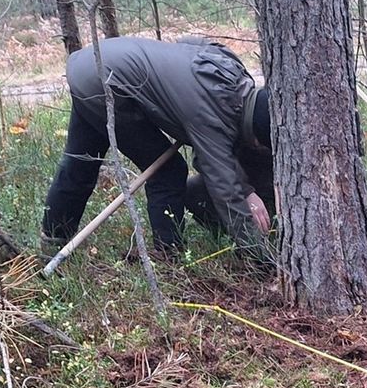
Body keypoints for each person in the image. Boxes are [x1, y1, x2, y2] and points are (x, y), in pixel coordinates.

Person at [41, 36, 272, 260]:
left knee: (82, 160)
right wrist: (262, 255)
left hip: (92, 61)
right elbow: (225, 188)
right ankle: (168, 253)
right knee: (167, 170)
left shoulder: (232, 67)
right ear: (256, 140)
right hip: (110, 81)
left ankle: (52, 239)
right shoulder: (211, 116)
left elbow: (188, 40)